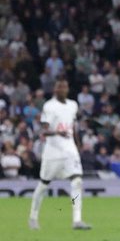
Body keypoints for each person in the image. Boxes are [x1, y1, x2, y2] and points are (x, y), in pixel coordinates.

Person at [28, 79, 91, 230]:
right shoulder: (49, 106)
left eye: (64, 86)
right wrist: (57, 132)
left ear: (67, 89)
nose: (61, 89)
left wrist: (77, 144)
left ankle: (77, 220)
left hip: (70, 150)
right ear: (55, 90)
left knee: (77, 181)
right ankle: (33, 217)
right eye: (59, 87)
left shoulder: (72, 105)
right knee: (44, 185)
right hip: (53, 152)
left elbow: (73, 126)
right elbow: (43, 130)